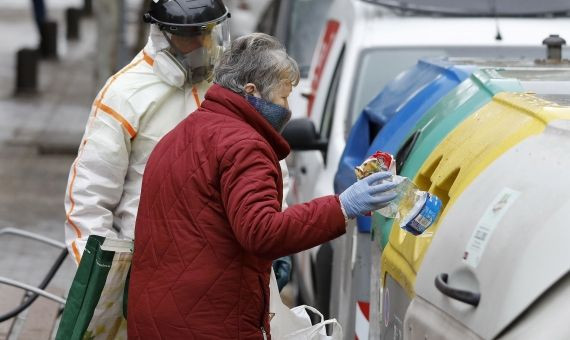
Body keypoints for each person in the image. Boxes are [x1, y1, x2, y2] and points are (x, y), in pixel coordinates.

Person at [127, 33, 397, 339]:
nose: (288, 109)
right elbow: (262, 231)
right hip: (212, 325)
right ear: (252, 91)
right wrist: (341, 207)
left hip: (156, 319)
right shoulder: (245, 147)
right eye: (282, 97)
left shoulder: (180, 135)